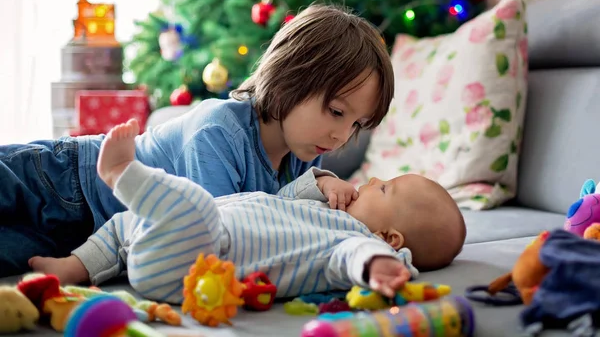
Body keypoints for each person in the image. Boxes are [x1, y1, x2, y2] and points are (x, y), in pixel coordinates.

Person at [0, 4, 395, 277]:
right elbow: (220, 236)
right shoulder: (219, 130)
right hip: (66, 180)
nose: (341, 135)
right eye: (337, 113)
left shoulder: (303, 159)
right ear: (292, 77)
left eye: (356, 125)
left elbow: (280, 223)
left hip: (84, 237)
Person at [31, 119, 466, 303]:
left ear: (390, 238)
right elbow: (288, 197)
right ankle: (71, 267)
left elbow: (353, 260)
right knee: (126, 223)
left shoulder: (353, 242)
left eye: (384, 189)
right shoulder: (328, 212)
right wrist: (321, 181)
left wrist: (378, 267)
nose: (371, 182)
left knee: (193, 205)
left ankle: (123, 173)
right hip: (175, 241)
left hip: (197, 264)